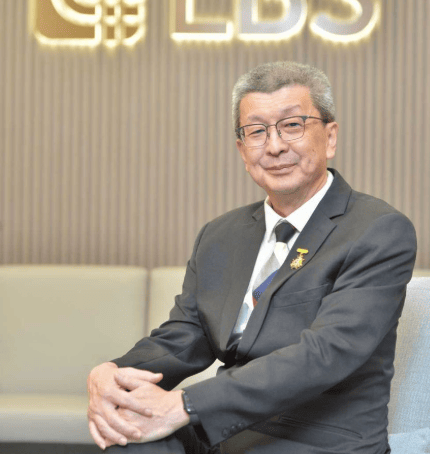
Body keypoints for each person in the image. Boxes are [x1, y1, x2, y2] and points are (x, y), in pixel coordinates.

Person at [87, 61, 417, 454]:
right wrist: (114, 374)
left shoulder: (377, 230)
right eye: (257, 131)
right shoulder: (221, 235)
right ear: (243, 151)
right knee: (125, 438)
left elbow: (325, 353)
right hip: (225, 431)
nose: (274, 146)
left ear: (330, 137)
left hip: (315, 440)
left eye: (292, 125)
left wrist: (186, 404)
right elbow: (186, 334)